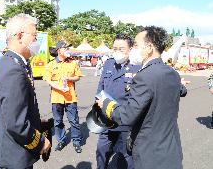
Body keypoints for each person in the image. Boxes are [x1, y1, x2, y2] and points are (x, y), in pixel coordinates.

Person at [97, 26, 188, 169]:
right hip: (170, 150)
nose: (133, 49)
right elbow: (180, 91)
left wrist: (106, 104)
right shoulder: (172, 73)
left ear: (149, 47)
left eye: (137, 45)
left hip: (150, 154)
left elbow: (127, 116)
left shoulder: (144, 76)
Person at [0, 13, 51, 169]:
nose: (36, 41)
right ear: (19, 36)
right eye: (34, 36)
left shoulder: (10, 61)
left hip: (11, 150)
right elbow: (16, 123)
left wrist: (37, 122)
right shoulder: (14, 69)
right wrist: (40, 142)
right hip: (15, 156)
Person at [96, 34, 141, 169]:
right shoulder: (109, 63)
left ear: (130, 49)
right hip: (106, 118)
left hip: (124, 120)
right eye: (115, 48)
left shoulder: (137, 67)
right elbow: (101, 87)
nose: (117, 52)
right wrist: (97, 104)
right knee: (101, 150)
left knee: (126, 156)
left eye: (121, 49)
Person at [43, 40, 83, 153]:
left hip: (71, 97)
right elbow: (48, 80)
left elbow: (78, 76)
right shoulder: (51, 64)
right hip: (56, 98)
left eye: (68, 48)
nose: (68, 50)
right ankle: (61, 140)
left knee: (74, 121)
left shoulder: (73, 62)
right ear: (59, 50)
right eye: (65, 48)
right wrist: (60, 88)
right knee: (58, 121)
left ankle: (76, 141)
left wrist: (70, 78)